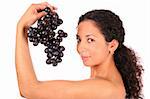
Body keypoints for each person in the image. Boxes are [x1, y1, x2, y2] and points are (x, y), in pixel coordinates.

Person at [15, 2, 143, 99]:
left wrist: (21, 28)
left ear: (112, 46)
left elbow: (29, 90)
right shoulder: (103, 84)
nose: (81, 47)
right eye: (79, 39)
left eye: (90, 40)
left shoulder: (106, 89)